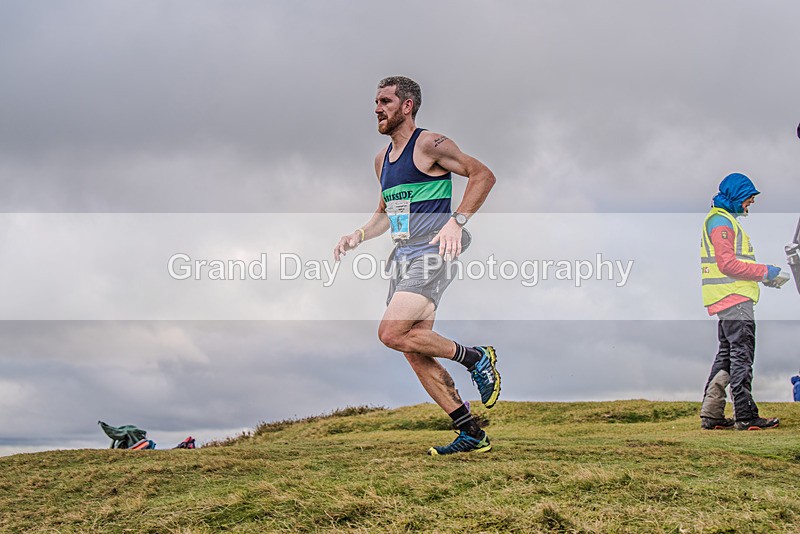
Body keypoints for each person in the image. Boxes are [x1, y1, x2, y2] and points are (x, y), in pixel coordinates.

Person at [333, 76, 500, 455]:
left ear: (406, 106)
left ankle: (476, 357)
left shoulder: (429, 144)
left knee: (391, 333)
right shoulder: (382, 161)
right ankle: (470, 431)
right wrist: (356, 236)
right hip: (404, 256)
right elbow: (384, 214)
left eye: (386, 101)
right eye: (376, 101)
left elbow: (483, 175)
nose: (378, 107)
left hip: (433, 251)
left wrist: (457, 221)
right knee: (412, 347)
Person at [699, 172, 782, 431]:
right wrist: (764, 272)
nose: (751, 204)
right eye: (748, 199)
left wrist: (766, 278)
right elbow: (728, 264)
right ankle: (745, 416)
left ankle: (712, 415)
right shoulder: (723, 223)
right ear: (736, 196)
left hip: (723, 300)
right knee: (741, 357)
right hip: (735, 300)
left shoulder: (717, 220)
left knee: (726, 357)